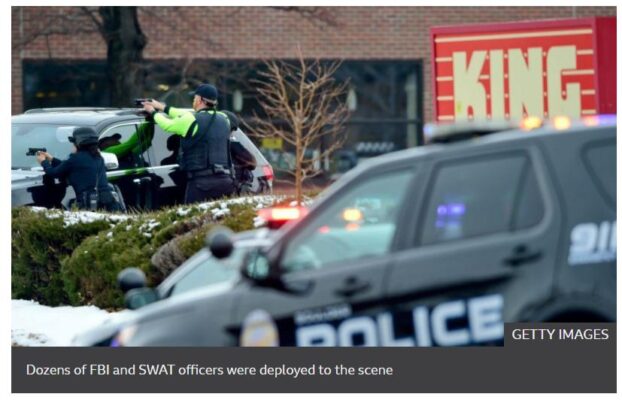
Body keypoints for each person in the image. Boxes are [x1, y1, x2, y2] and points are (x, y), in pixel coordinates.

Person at [142, 83, 236, 204]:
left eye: (194, 98)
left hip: (202, 184)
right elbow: (183, 114)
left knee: (195, 220)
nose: (193, 100)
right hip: (225, 182)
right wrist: (161, 106)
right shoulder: (224, 118)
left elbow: (167, 125)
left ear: (200, 99)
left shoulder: (191, 120)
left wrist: (153, 112)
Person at [36, 127, 123, 212]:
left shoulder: (75, 159)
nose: (72, 146)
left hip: (88, 205)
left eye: (73, 143)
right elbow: (69, 167)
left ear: (79, 143)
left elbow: (54, 173)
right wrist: (51, 159)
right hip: (108, 204)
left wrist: (43, 162)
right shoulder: (98, 157)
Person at [221, 110, 257, 195]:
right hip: (231, 187)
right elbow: (252, 163)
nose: (232, 133)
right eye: (232, 130)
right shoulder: (232, 145)